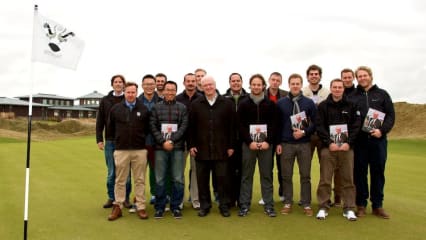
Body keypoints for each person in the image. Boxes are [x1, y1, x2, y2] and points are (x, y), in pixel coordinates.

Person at [189, 75, 236, 217]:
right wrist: (191, 145)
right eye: (205, 85)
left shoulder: (227, 103)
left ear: (215, 85)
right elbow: (191, 127)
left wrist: (231, 146)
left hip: (221, 148)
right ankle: (205, 206)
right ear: (201, 87)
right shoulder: (196, 104)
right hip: (201, 149)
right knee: (202, 180)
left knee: (222, 179)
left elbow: (232, 127)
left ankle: (224, 205)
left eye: (210, 84)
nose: (208, 87)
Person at [315, 79, 361, 221]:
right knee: (325, 179)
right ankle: (323, 206)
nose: (337, 89)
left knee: (348, 179)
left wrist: (348, 142)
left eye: (339, 87)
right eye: (334, 87)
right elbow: (319, 126)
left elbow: (356, 126)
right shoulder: (323, 106)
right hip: (328, 149)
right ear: (330, 88)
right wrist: (329, 143)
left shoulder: (352, 105)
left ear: (343, 89)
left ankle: (349, 208)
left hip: (346, 148)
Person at [353, 66, 395, 219]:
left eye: (365, 75)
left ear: (370, 76)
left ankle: (377, 205)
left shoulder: (382, 94)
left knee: (377, 173)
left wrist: (382, 131)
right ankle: (361, 205)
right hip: (360, 142)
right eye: (359, 76)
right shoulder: (353, 96)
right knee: (360, 174)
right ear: (357, 78)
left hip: (378, 141)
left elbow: (390, 116)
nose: (362, 78)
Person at [107, 82, 150, 221]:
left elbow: (148, 129)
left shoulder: (143, 109)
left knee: (140, 180)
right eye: (128, 92)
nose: (130, 94)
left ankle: (141, 206)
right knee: (120, 180)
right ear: (124, 92)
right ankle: (118, 206)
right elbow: (110, 129)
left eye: (133, 92)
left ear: (136, 93)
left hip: (139, 150)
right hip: (121, 150)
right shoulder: (115, 109)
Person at [237, 74, 278, 217]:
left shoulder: (271, 104)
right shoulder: (243, 104)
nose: (256, 87)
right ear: (250, 86)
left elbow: (274, 125)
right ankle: (244, 205)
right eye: (253, 84)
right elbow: (240, 126)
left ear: (263, 86)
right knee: (246, 176)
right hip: (249, 146)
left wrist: (268, 142)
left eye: (258, 84)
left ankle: (269, 205)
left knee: (266, 175)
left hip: (266, 145)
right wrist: (250, 142)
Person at [276, 73, 316, 217]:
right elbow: (277, 125)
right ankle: (287, 202)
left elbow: (315, 123)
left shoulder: (309, 103)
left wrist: (304, 132)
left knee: (305, 175)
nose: (295, 86)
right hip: (286, 144)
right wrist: (278, 142)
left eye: (297, 83)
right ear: (289, 85)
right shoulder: (280, 103)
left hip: (304, 144)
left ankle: (306, 203)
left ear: (301, 84)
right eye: (292, 83)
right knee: (286, 175)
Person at [150, 81, 189, 219]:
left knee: (177, 178)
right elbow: (153, 126)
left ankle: (175, 206)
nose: (170, 92)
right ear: (164, 91)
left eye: (173, 90)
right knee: (160, 179)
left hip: (177, 148)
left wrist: (172, 141)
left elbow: (184, 127)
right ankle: (160, 207)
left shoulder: (182, 108)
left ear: (176, 91)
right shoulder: (156, 107)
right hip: (160, 148)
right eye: (168, 90)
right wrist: (163, 141)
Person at [95, 74, 132, 209]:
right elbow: (100, 122)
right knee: (112, 172)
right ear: (112, 84)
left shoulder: (128, 98)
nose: (118, 84)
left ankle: (126, 198)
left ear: (124, 84)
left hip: (125, 141)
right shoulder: (105, 100)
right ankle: (112, 197)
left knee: (126, 172)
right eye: (115, 82)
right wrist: (99, 139)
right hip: (110, 141)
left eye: (120, 82)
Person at [176, 73, 203, 210]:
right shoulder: (178, 99)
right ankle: (178, 199)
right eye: (188, 81)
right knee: (178, 172)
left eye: (193, 81)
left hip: (197, 142)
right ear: (184, 82)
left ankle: (195, 199)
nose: (191, 83)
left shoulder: (202, 98)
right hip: (180, 141)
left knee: (196, 172)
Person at [260, 72, 288, 205]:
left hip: (281, 136)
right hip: (265, 137)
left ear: (280, 82)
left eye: (278, 80)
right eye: (273, 80)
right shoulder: (261, 94)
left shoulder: (286, 95)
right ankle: (266, 195)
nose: (275, 82)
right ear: (269, 81)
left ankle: (283, 194)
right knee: (267, 168)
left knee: (282, 167)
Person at [223, 72, 248, 208]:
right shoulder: (223, 99)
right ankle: (230, 200)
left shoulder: (248, 98)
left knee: (243, 171)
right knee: (229, 171)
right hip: (228, 141)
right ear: (229, 83)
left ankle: (242, 200)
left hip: (245, 141)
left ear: (242, 82)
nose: (236, 83)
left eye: (238, 80)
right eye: (233, 81)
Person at [138, 74, 162, 207]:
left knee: (155, 170)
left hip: (156, 142)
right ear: (142, 85)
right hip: (140, 143)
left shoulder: (161, 101)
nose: (149, 86)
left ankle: (155, 193)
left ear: (155, 85)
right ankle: (138, 197)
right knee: (139, 171)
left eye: (151, 84)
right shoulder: (137, 101)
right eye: (146, 84)